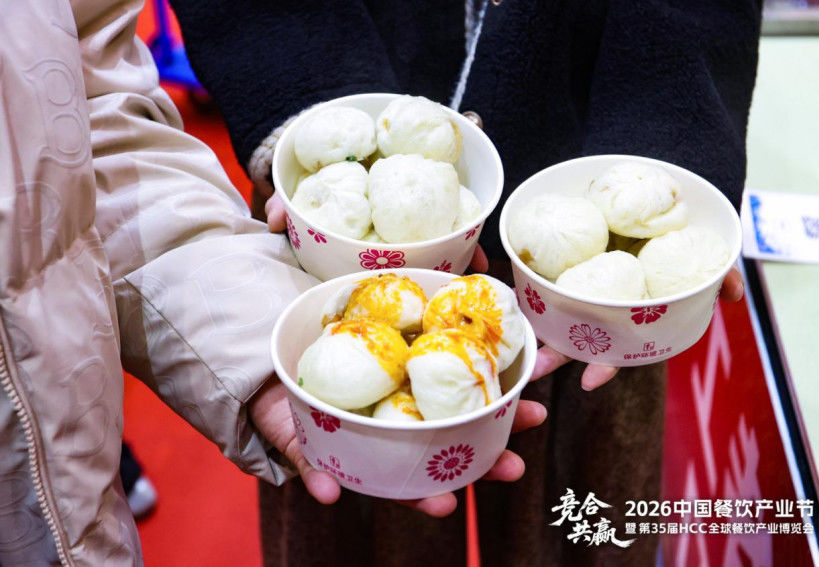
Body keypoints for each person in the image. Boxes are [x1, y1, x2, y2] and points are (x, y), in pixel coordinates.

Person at [169, 0, 760, 565]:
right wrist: (312, 117)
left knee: (579, 512)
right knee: (355, 464)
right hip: (334, 236)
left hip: (594, 243)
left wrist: (660, 170)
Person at [0, 2, 538, 564]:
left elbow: (94, 120)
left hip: (531, 244)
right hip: (312, 240)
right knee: (348, 527)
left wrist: (254, 342)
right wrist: (302, 108)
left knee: (551, 508)